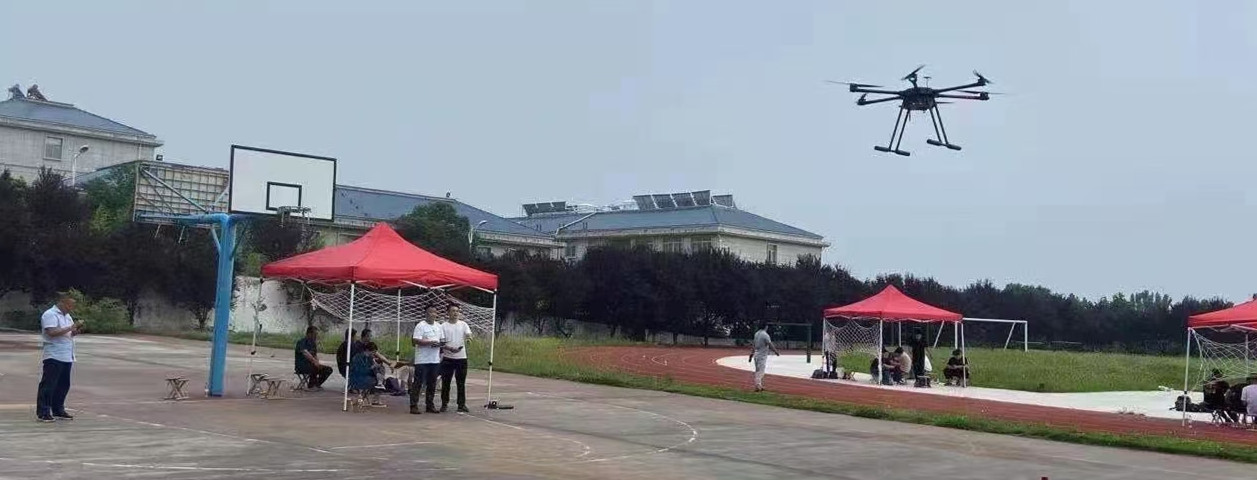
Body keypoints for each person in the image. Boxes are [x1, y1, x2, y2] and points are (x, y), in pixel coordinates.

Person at [36, 293, 82, 422]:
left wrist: (74, 331)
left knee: (63, 385)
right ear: (62, 303)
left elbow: (68, 333)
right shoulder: (50, 314)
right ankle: (43, 411)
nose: (71, 308)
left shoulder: (67, 316)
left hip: (67, 355)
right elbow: (51, 332)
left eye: (72, 306)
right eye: (69, 305)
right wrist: (70, 328)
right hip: (54, 354)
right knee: (49, 384)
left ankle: (58, 409)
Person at [410, 306, 446, 414]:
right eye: (430, 312)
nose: (433, 314)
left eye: (435, 312)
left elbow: (442, 340)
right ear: (426, 314)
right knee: (418, 382)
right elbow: (415, 340)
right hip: (422, 359)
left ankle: (430, 405)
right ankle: (413, 405)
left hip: (434, 359)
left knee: (432, 383)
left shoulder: (439, 326)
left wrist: (440, 344)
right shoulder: (421, 325)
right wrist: (429, 342)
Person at [439, 304, 474, 413]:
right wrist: (449, 348)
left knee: (461, 382)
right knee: (446, 382)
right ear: (448, 313)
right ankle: (444, 403)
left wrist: (468, 339)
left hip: (461, 358)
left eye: (457, 311)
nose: (455, 313)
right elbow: (441, 342)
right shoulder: (443, 326)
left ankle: (461, 404)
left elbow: (468, 335)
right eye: (453, 311)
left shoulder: (463, 324)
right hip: (447, 357)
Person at [348, 341, 385, 406]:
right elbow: (359, 370)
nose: (374, 354)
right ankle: (363, 397)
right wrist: (372, 367)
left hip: (365, 376)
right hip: (357, 377)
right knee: (373, 381)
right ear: (367, 350)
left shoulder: (370, 358)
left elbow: (370, 369)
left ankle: (375, 398)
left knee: (381, 374)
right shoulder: (358, 357)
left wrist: (377, 369)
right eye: (373, 352)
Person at [747, 323, 780, 392]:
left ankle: (759, 385)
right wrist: (776, 351)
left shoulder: (756, 334)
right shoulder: (765, 335)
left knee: (757, 370)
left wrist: (751, 354)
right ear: (765, 327)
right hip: (762, 355)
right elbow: (770, 344)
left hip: (756, 354)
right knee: (761, 371)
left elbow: (754, 344)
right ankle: (757, 385)